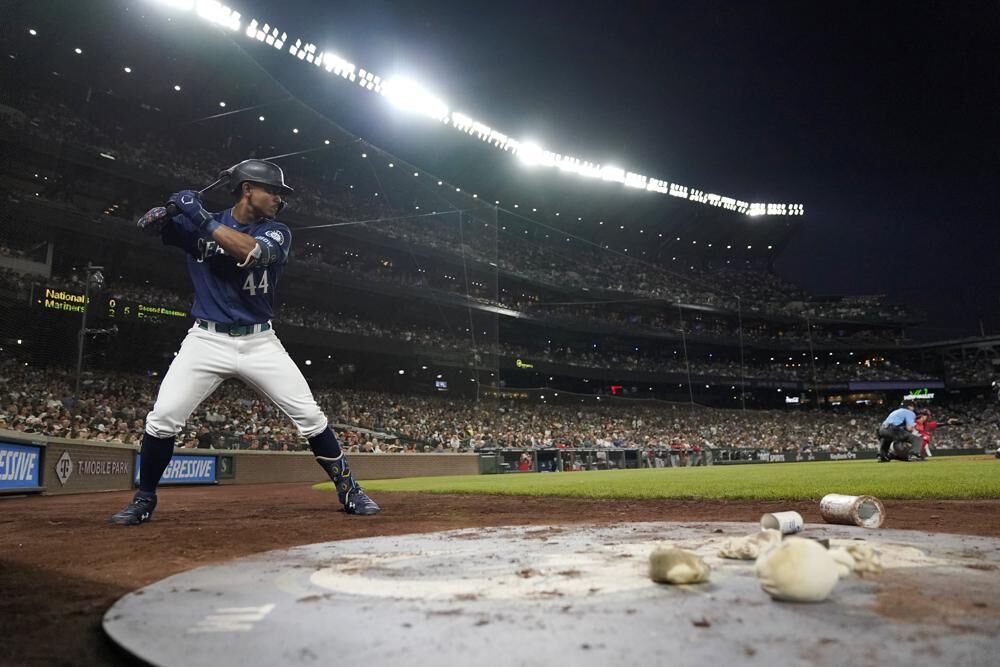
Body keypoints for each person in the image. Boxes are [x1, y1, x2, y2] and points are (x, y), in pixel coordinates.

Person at [110, 159, 379, 524]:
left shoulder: (278, 231)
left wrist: (199, 217)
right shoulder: (201, 219)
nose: (279, 199)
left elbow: (248, 251)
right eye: (273, 191)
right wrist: (164, 213)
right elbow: (147, 227)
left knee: (310, 417)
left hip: (260, 341)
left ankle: (350, 490)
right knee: (162, 419)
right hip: (206, 339)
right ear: (247, 189)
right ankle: (144, 499)